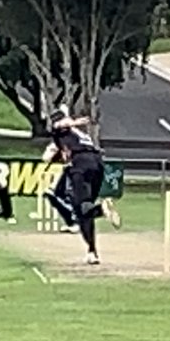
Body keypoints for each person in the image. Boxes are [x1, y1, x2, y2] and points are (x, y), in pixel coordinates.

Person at [47, 107, 121, 265]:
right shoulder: (79, 135)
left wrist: (70, 122)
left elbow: (58, 126)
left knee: (82, 209)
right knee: (85, 210)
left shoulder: (62, 131)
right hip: (98, 164)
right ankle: (92, 251)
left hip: (80, 165)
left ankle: (101, 210)